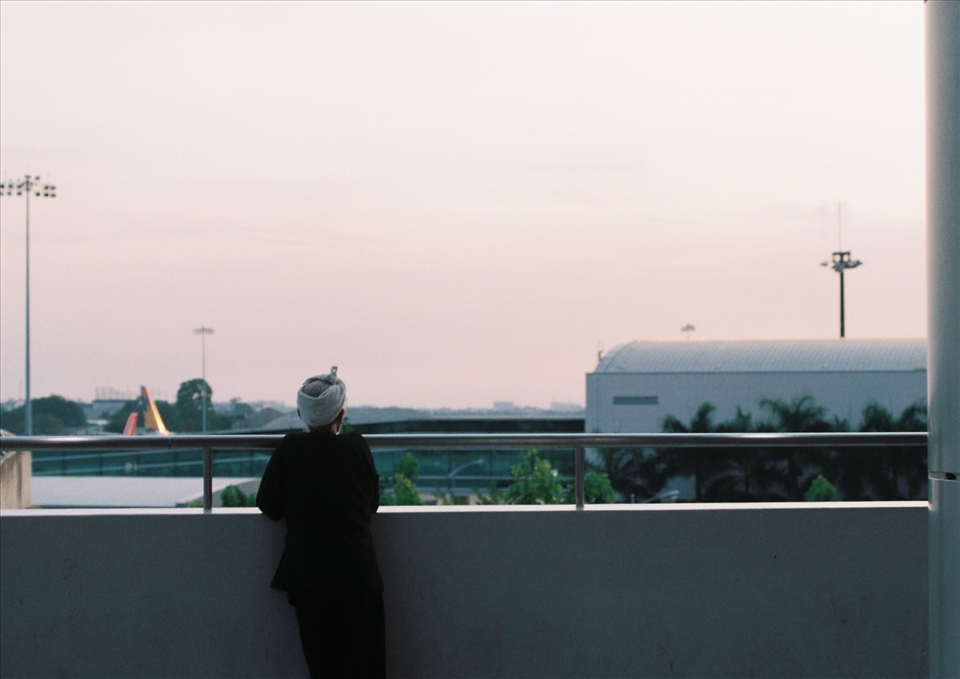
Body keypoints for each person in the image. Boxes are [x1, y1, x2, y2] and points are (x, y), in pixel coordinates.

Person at [257, 367, 385, 679]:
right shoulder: (357, 447)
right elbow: (372, 504)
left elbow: (268, 505)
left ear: (301, 413)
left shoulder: (290, 449)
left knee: (323, 669)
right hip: (359, 575)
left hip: (311, 578)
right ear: (341, 414)